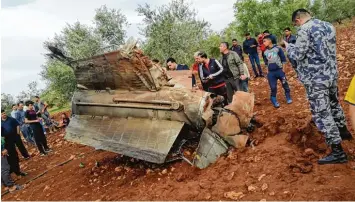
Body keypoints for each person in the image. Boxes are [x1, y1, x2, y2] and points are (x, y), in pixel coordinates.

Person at [285, 8, 352, 164]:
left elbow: (298, 55)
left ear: (297, 20)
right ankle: (344, 132)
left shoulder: (304, 30)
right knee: (335, 104)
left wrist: (289, 48)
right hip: (331, 75)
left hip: (316, 79)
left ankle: (337, 151)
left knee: (323, 112)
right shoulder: (328, 25)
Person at [263, 35, 292, 108]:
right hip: (271, 73)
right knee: (273, 87)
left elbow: (284, 60)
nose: (263, 43)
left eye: (264, 41)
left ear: (270, 41)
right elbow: (266, 63)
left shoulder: (278, 48)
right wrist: (268, 72)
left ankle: (288, 97)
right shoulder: (265, 51)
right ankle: (273, 100)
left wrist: (283, 70)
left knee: (285, 84)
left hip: (279, 70)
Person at [1, 110, 28, 176]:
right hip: (5, 142)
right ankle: (9, 174)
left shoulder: (11, 119)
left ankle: (17, 171)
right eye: (2, 114)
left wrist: (18, 134)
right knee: (8, 158)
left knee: (14, 156)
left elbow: (17, 125)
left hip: (12, 138)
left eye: (4, 113)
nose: (4, 114)